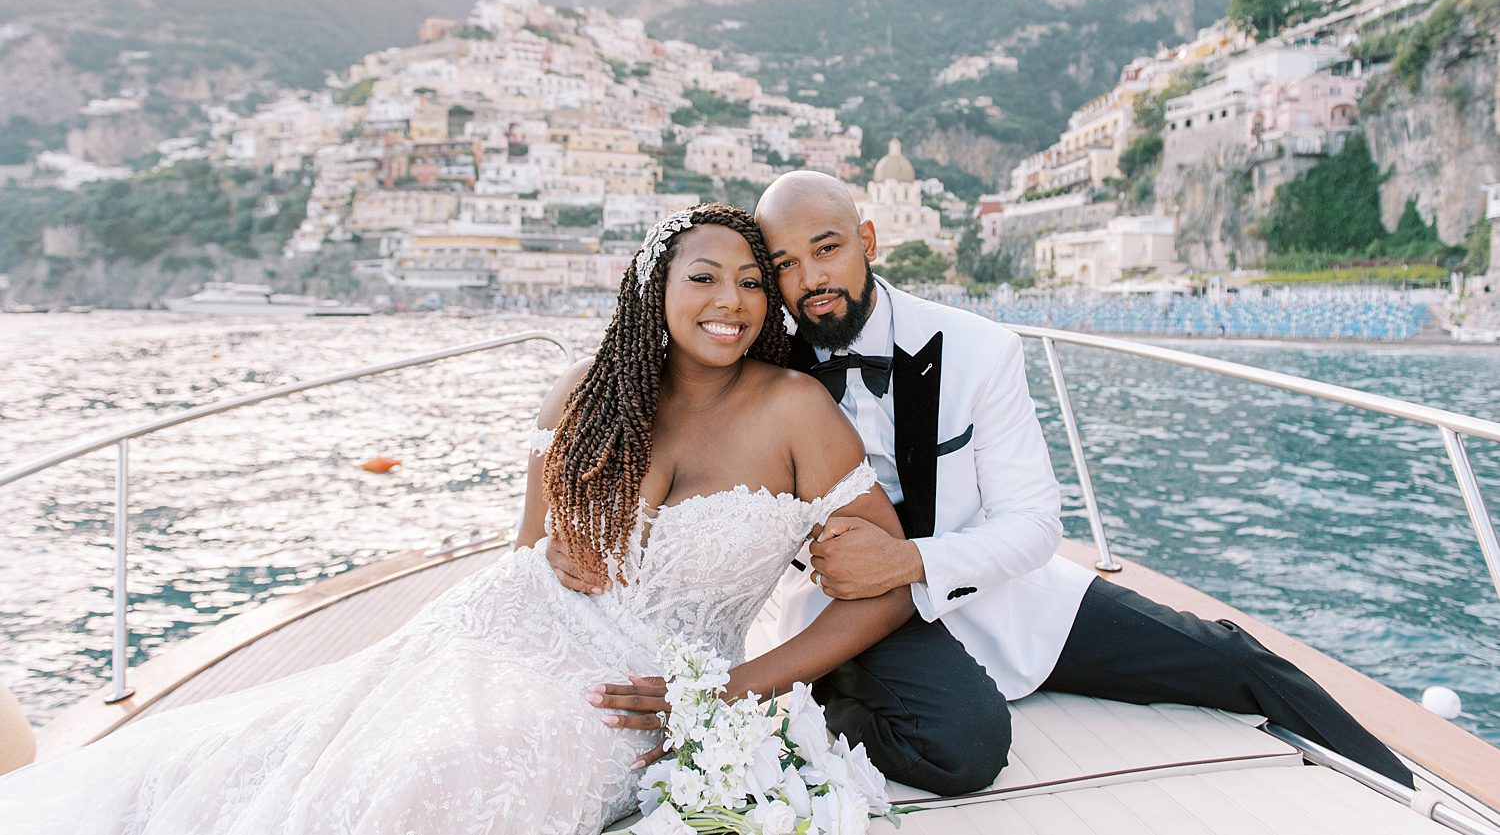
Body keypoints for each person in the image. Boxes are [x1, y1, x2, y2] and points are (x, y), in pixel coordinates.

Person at [0, 203, 912, 835]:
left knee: (450, 774)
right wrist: (564, 548)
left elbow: (886, 590)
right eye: (705, 276)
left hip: (645, 691)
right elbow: (525, 552)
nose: (733, 302)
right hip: (506, 629)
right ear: (651, 286)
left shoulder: (795, 408)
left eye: (754, 282)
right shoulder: (582, 397)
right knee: (338, 749)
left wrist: (730, 689)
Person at [573, 172, 1413, 794]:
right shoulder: (758, 359)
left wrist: (910, 562)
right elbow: (655, 402)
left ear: (869, 239)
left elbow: (1035, 524)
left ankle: (1404, 787)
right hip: (856, 611)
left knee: (1230, 656)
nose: (808, 280)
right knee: (964, 748)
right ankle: (827, 698)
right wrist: (573, 535)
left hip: (999, 586)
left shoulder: (978, 347)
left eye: (827, 248)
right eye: (784, 264)